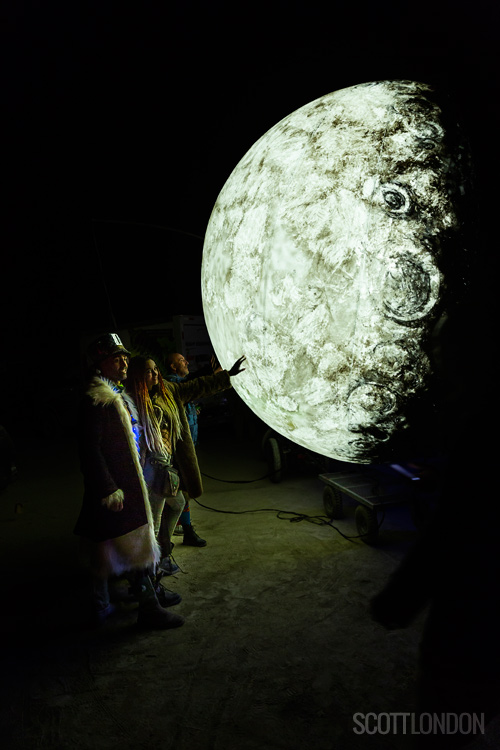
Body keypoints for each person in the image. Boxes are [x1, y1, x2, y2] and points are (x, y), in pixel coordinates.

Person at [74, 333, 184, 630]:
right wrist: (109, 489)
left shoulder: (116, 395)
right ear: (101, 365)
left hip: (124, 487)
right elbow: (90, 449)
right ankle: (143, 606)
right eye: (116, 358)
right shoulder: (96, 400)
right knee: (121, 547)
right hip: (115, 491)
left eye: (124, 357)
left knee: (109, 548)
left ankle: (117, 604)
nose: (124, 362)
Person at [127, 353, 246, 567]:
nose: (154, 373)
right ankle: (150, 571)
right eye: (148, 371)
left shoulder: (169, 391)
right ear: (138, 376)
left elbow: (197, 386)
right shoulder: (132, 401)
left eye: (156, 369)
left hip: (166, 468)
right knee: (153, 522)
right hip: (149, 471)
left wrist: (227, 376)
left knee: (177, 504)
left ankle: (162, 553)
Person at [164, 352, 221, 546]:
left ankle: (182, 529)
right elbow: (193, 382)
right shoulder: (173, 384)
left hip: (186, 449)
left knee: (182, 493)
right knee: (179, 493)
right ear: (173, 367)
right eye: (181, 361)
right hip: (175, 453)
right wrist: (211, 372)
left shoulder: (179, 385)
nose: (186, 362)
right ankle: (177, 534)